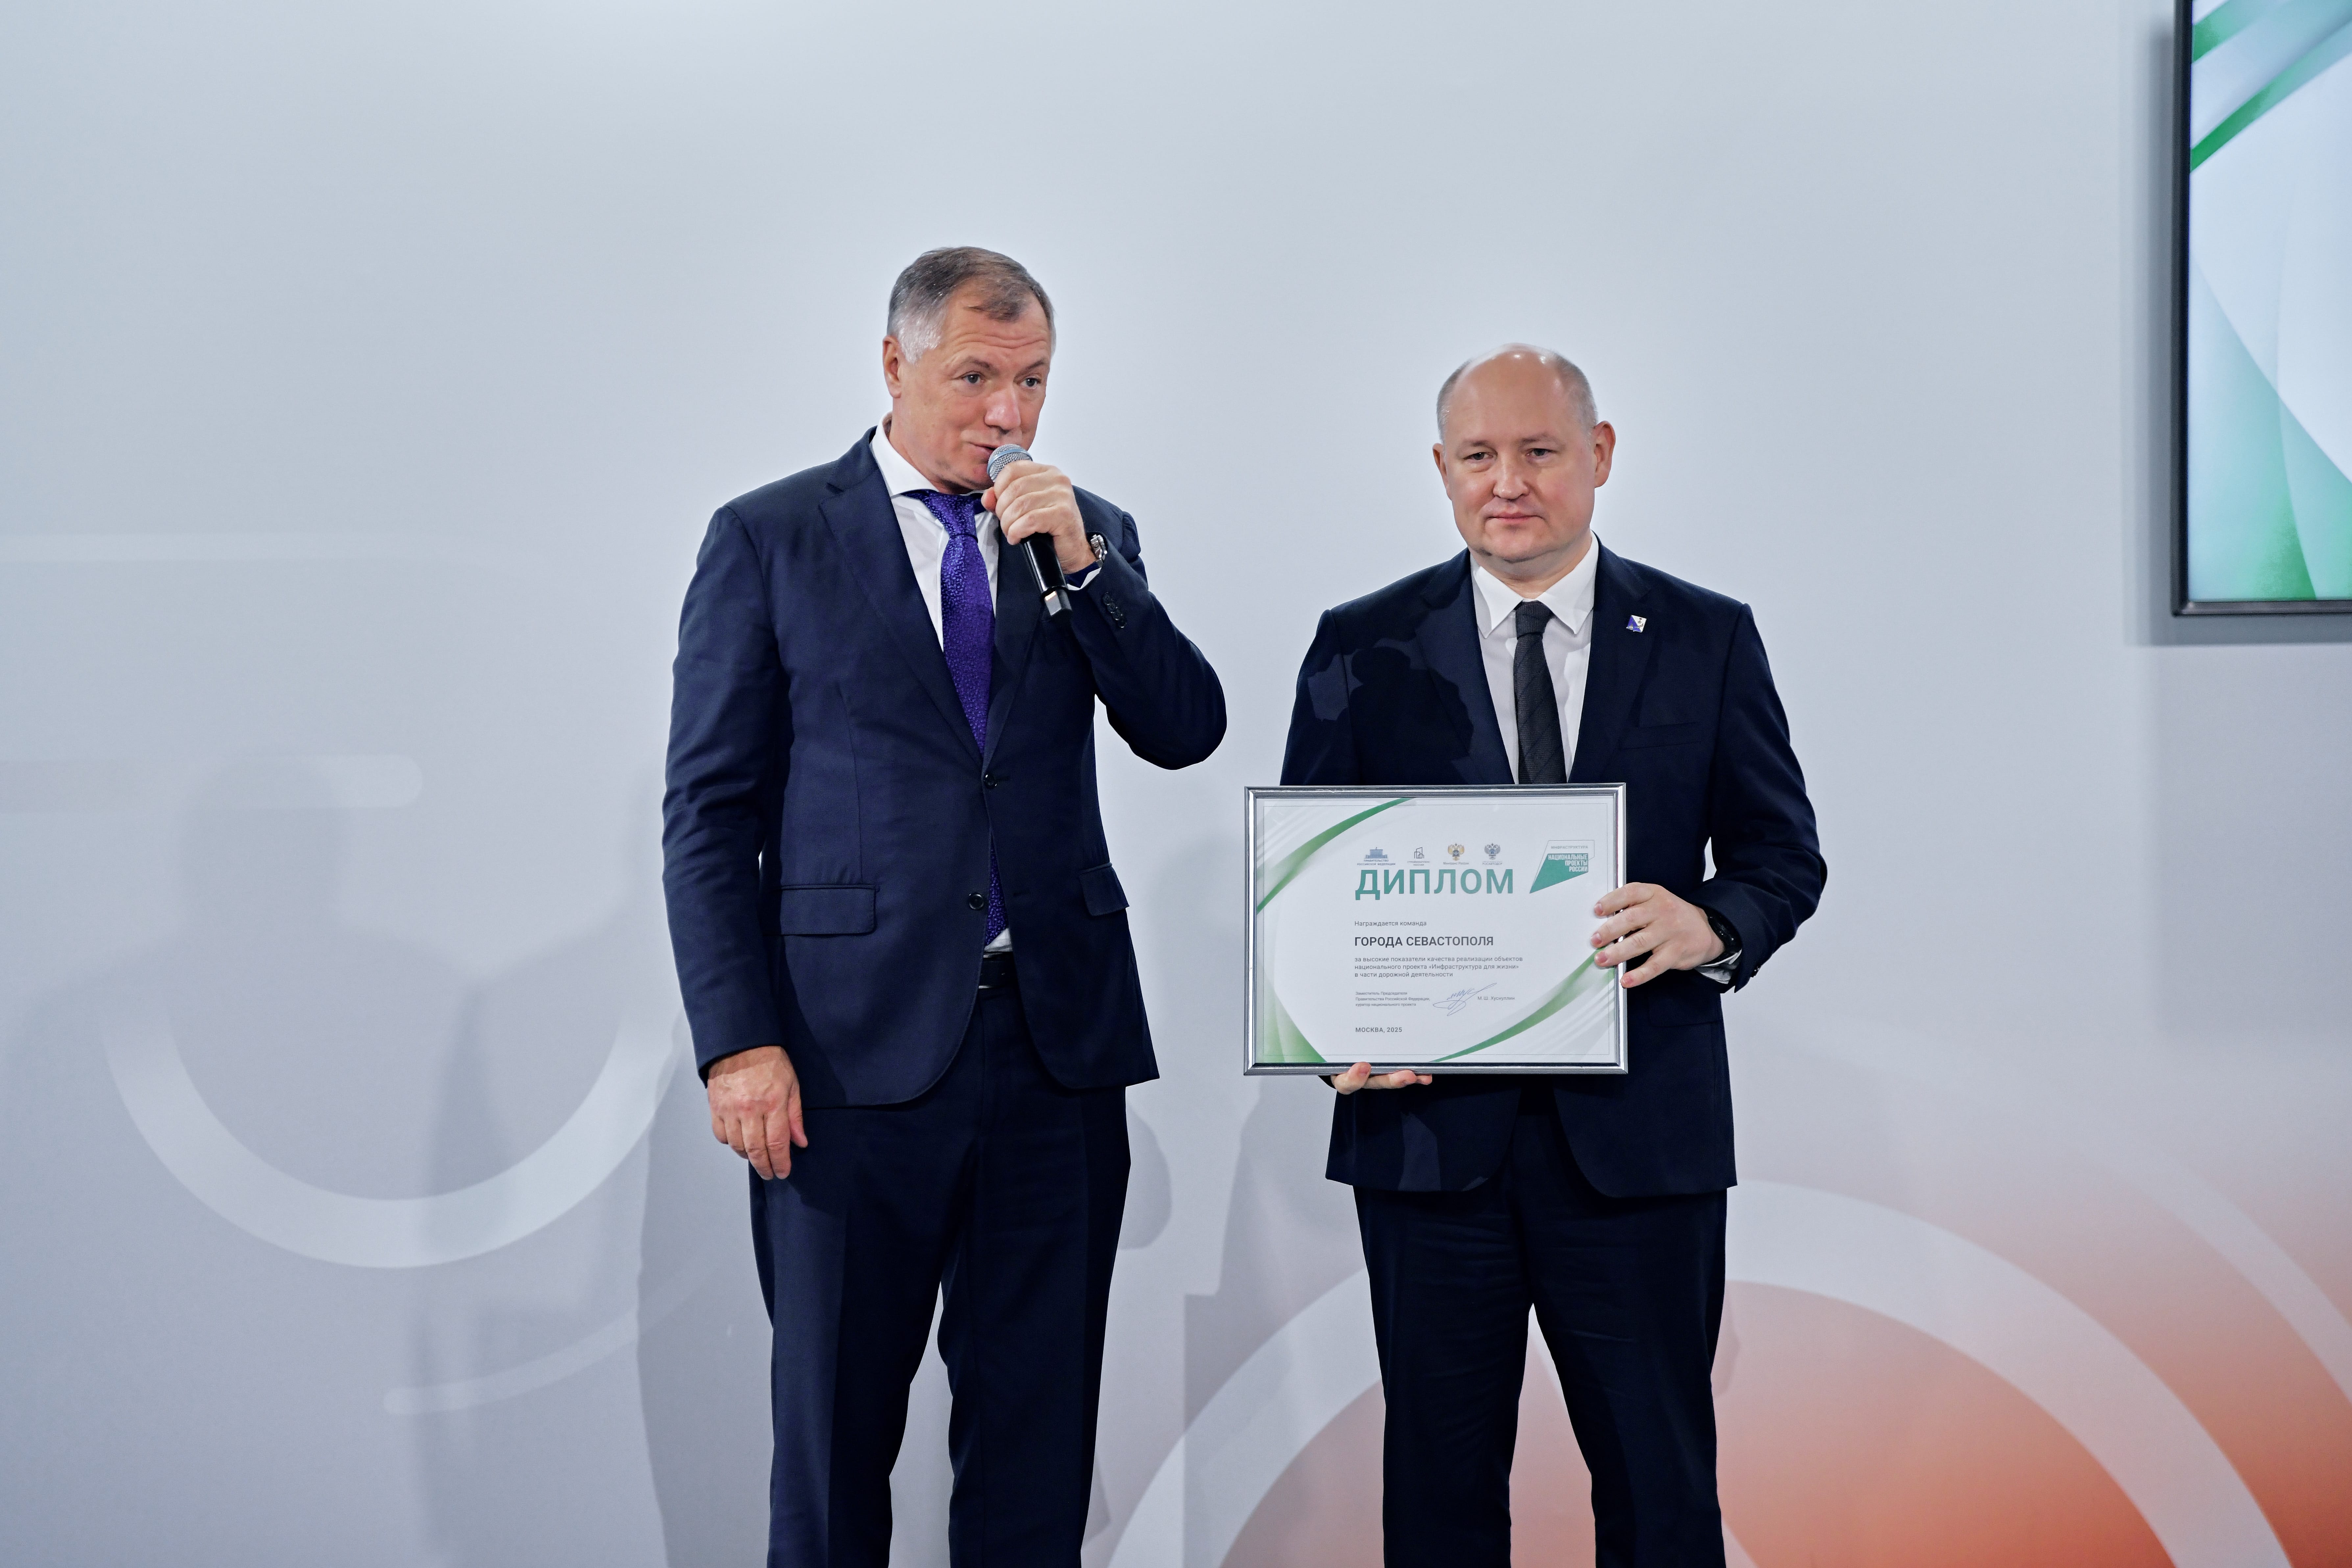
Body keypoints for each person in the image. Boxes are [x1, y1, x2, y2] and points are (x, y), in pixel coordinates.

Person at [662, 246, 1226, 1567]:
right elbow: (709, 813)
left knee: (1037, 1445)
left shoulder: (1083, 532)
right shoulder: (771, 535)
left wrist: (1087, 566)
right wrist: (737, 1041)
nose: (1006, 412)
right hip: (843, 1060)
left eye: (1032, 380)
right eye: (975, 377)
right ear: (894, 364)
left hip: (1054, 1049)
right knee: (833, 1440)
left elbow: (1184, 727)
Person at [1280, 346, 1824, 1567]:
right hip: (1428, 1141)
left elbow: (1781, 855)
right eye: (1478, 456)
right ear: (1440, 468)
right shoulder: (1361, 643)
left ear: (1600, 454)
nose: (1507, 483)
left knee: (1659, 1486)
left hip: (1639, 1142)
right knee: (1438, 1497)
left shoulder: (1703, 636)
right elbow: (1307, 884)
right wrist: (1325, 1030)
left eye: (1538, 451)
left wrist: (1710, 924)